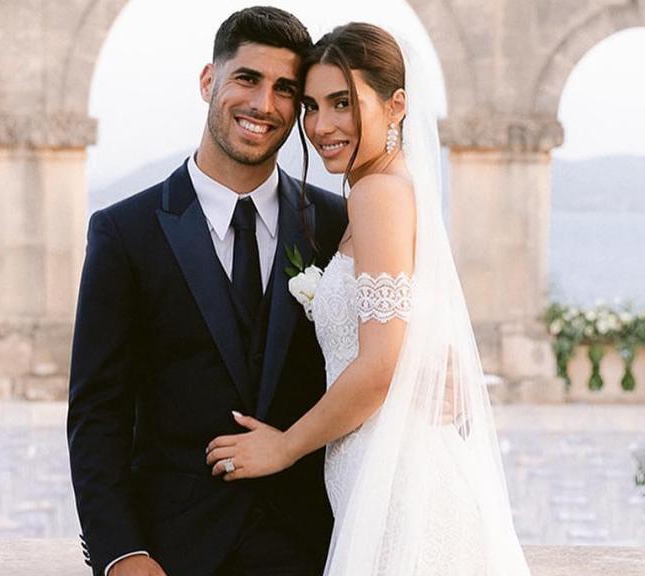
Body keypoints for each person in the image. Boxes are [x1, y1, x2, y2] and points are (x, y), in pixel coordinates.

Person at [205, 23, 532, 575]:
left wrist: (283, 447)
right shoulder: (378, 192)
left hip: (401, 481)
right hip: (378, 471)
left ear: (396, 105)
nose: (322, 126)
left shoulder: (379, 195)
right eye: (311, 105)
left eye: (343, 103)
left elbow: (378, 365)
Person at [67, 7, 347, 576]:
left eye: (285, 89)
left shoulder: (337, 223)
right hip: (173, 552)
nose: (263, 105)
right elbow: (97, 413)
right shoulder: (126, 231)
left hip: (315, 549)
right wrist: (122, 553)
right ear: (208, 81)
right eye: (248, 79)